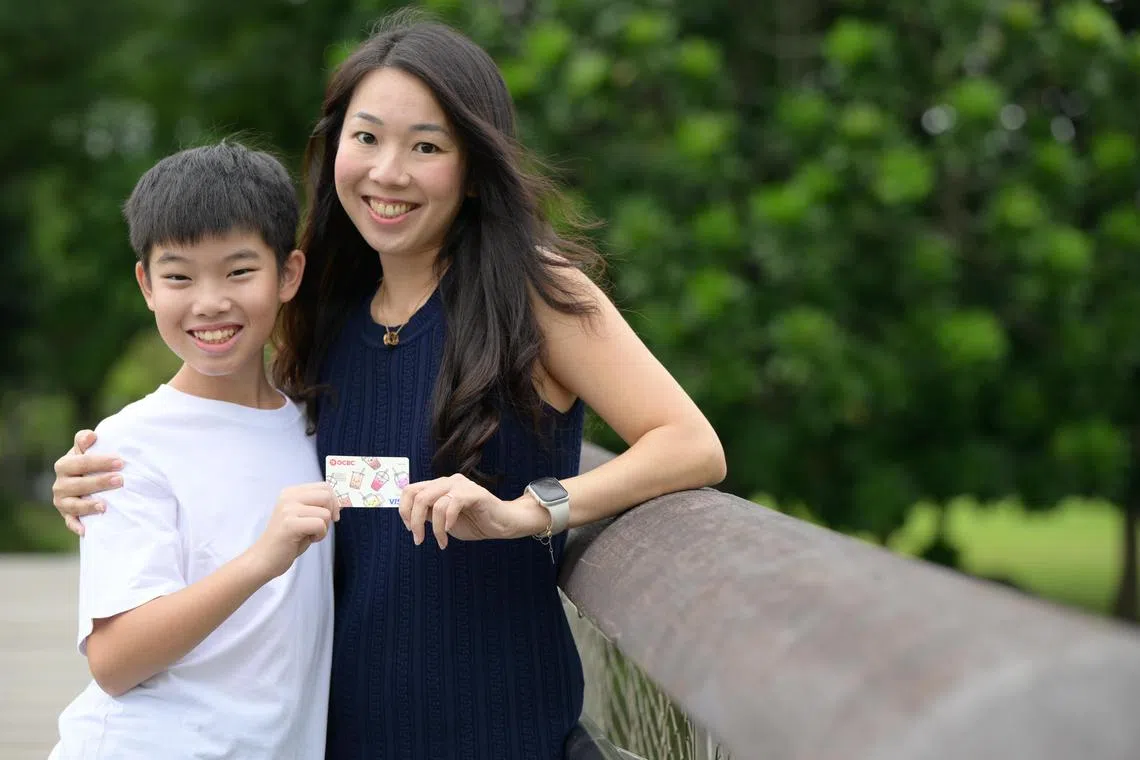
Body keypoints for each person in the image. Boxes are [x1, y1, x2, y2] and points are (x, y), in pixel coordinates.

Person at [51, 11, 726, 759]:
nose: (387, 172)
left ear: (472, 167)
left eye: (426, 146)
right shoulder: (323, 308)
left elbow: (690, 445)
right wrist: (99, 472)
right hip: (339, 737)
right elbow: (234, 428)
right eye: (366, 137)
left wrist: (527, 512)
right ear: (335, 146)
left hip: (502, 732)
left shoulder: (530, 293)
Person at [49, 142, 340, 759]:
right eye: (179, 276)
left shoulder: (317, 427)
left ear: (289, 274)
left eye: (239, 271)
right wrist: (264, 557)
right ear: (146, 285)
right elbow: (115, 659)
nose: (209, 301)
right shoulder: (126, 446)